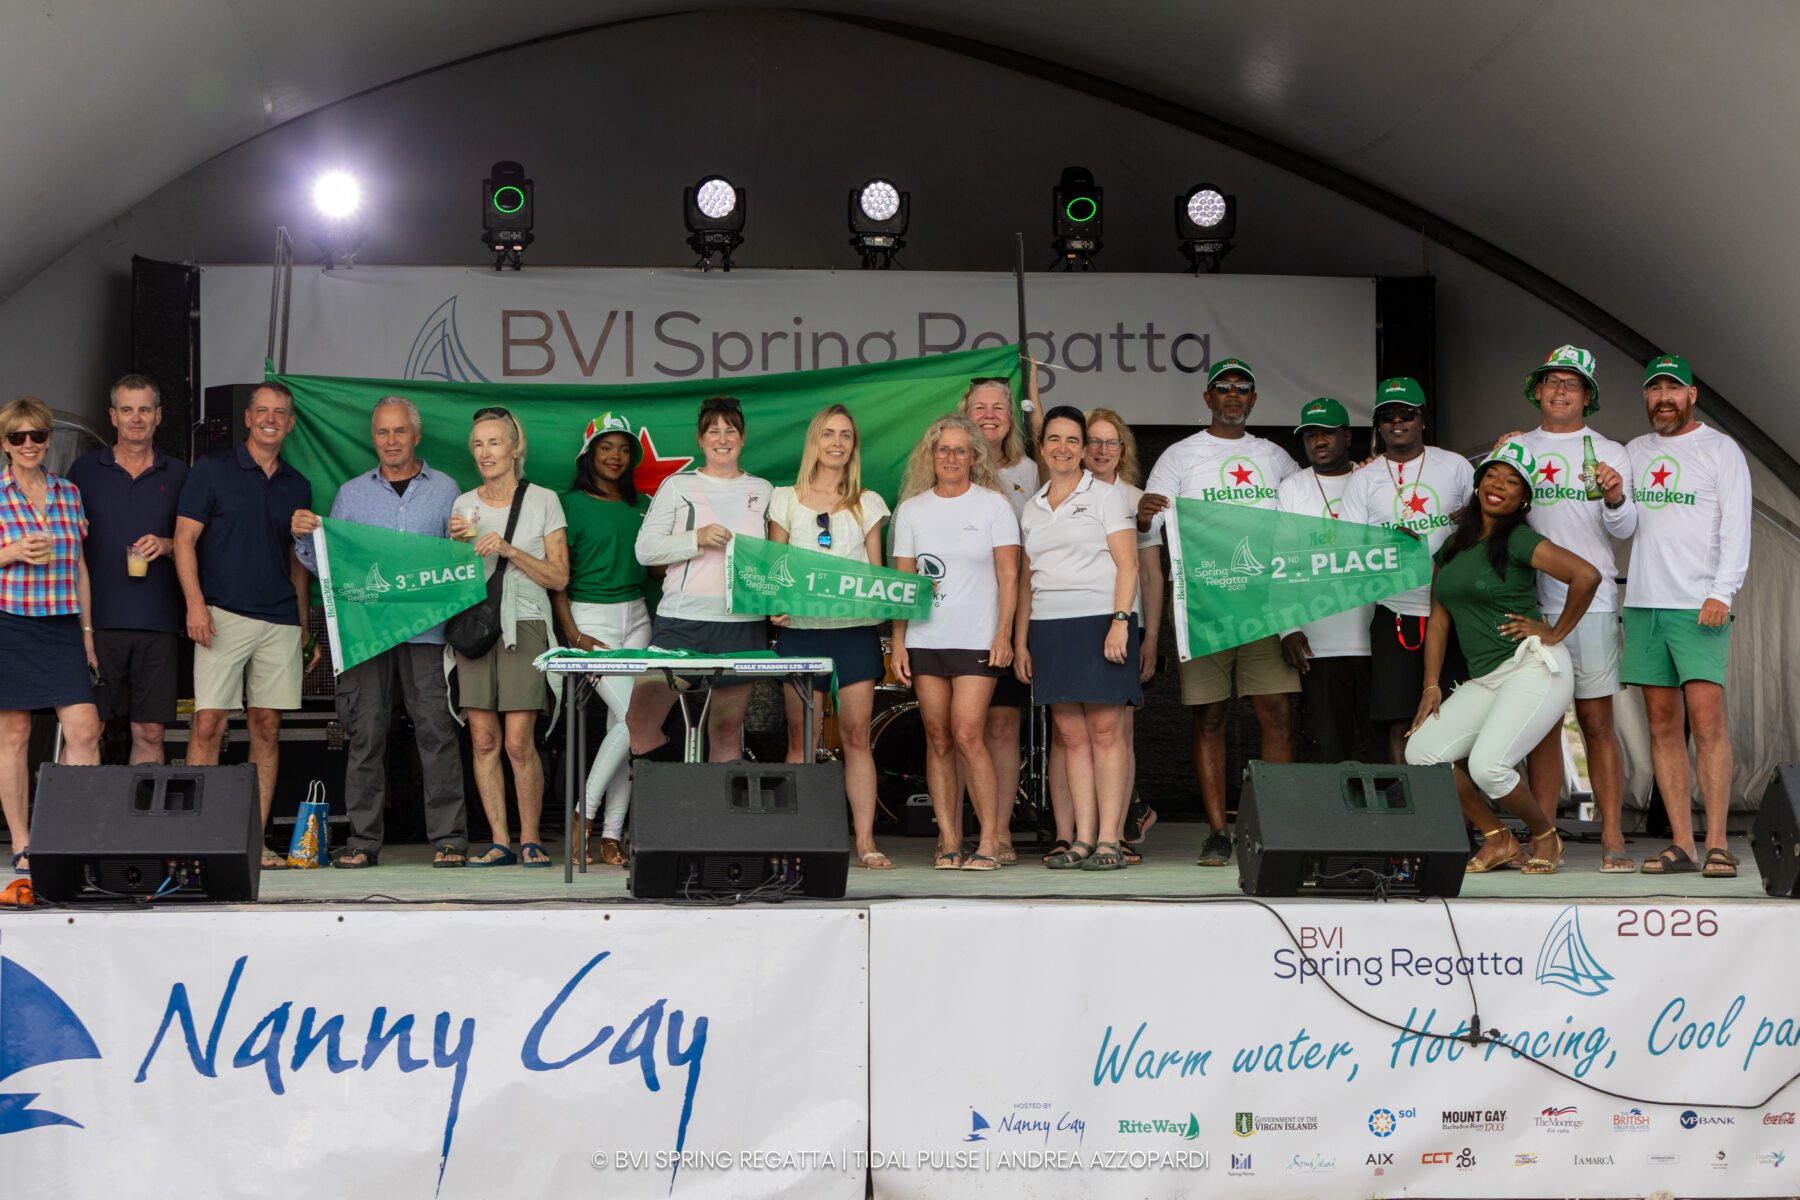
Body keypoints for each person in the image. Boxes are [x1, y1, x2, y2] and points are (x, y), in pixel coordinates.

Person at [1405, 441, 1600, 875]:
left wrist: (1554, 632)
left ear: (1522, 499)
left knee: (1488, 767)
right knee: (1422, 753)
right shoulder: (1452, 546)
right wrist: (1431, 684)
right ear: (1478, 486)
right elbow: (1439, 621)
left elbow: (1586, 575)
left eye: (1512, 481)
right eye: (1492, 476)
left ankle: (1546, 837)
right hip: (1487, 677)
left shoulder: (1518, 538)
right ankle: (1498, 838)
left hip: (1533, 667)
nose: (1498, 485)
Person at [291, 396, 468, 868]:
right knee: (365, 734)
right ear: (373, 439)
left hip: (428, 631)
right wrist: (306, 538)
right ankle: (363, 841)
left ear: (416, 435)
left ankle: (449, 839)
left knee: (437, 732)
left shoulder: (447, 490)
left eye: (400, 431)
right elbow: (331, 564)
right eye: (383, 432)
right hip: (366, 632)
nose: (391, 441)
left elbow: (460, 561)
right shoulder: (351, 494)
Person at [1136, 357, 1300, 867]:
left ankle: (1276, 827)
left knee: (1276, 712)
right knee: (1210, 716)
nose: (1233, 395)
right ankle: (1217, 832)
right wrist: (1141, 517)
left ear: (1254, 399)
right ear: (1207, 398)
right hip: (1204, 605)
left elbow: (1309, 512)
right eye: (1223, 388)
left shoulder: (1275, 457)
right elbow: (1148, 529)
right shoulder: (1179, 456)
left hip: (1266, 603)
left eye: (1242, 388)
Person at [174, 382, 317, 871]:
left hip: (279, 621)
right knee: (208, 723)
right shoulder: (212, 469)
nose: (271, 419)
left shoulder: (298, 485)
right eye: (263, 411)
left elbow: (298, 561)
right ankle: (197, 844)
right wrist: (195, 605)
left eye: (280, 412)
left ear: (290, 423)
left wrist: (303, 625)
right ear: (248, 418)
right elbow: (184, 540)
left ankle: (252, 842)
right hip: (222, 616)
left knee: (267, 728)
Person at [1623, 355, 1751, 878]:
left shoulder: (1721, 448)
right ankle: (1682, 843)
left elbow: (1737, 525)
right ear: (1646, 397)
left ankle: (1717, 842)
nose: (1663, 398)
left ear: (1692, 395)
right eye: (1654, 390)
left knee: (1708, 720)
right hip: (1643, 603)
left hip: (1699, 604)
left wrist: (1723, 591)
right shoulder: (1634, 451)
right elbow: (1622, 523)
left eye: (1672, 389)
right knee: (1661, 725)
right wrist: (1613, 498)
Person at [1510, 346, 1638, 871]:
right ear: (1537, 390)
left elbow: (1624, 529)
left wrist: (1615, 497)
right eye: (1552, 381)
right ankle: (1544, 835)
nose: (1560, 390)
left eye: (1572, 383)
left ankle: (1612, 834)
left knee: (1595, 720)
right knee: (1538, 724)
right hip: (1528, 599)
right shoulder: (1516, 447)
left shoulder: (1610, 451)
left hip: (1592, 603)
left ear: (1588, 397)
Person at [890, 415, 1019, 871]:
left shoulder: (994, 506)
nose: (950, 457)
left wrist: (1003, 633)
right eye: (942, 449)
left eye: (960, 450)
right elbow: (903, 585)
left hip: (978, 636)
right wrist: (899, 642)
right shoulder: (912, 510)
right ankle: (947, 839)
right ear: (931, 455)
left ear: (974, 456)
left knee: (967, 732)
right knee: (939, 736)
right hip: (926, 637)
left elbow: (1009, 576)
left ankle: (989, 840)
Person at [1031, 406, 1159, 863]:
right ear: (1041, 447)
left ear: (1083, 449)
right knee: (1070, 737)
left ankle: (1109, 838)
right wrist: (1023, 640)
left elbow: (1129, 565)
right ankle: (1082, 838)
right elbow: (1028, 577)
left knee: (1106, 731)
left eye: (1072, 440)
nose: (1063, 448)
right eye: (1054, 439)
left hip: (1101, 623)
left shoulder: (1106, 497)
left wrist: (1120, 621)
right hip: (1049, 628)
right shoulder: (1031, 506)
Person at [768, 404, 893, 869]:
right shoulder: (784, 499)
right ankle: (797, 841)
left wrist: (886, 600)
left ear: (853, 445)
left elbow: (878, 574)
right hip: (801, 634)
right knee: (801, 740)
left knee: (857, 736)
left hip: (854, 633)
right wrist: (775, 602)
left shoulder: (869, 502)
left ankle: (866, 842)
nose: (837, 443)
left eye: (845, 435)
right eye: (828, 434)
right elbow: (774, 568)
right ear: (814, 442)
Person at [448, 407, 569, 868]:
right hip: (476, 626)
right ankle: (500, 841)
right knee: (483, 740)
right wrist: (455, 550)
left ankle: (531, 839)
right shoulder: (463, 504)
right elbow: (456, 578)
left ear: (515, 449)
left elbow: (559, 577)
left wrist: (507, 548)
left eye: (495, 442)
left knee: (519, 741)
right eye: (478, 444)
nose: (485, 452)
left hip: (526, 622)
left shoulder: (543, 500)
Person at [626, 397, 770, 762]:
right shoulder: (678, 486)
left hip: (742, 625)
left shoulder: (765, 490)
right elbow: (645, 551)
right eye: (713, 431)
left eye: (730, 430)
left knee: (726, 730)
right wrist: (696, 538)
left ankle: (715, 801)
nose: (722, 439)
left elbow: (776, 561)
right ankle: (674, 794)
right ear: (700, 439)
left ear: (743, 437)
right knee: (640, 723)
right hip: (682, 623)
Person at [1340, 376, 1474, 765]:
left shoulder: (1455, 466)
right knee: (1399, 720)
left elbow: (1487, 525)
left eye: (1406, 413)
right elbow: (1348, 550)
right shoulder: (1363, 479)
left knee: (1457, 716)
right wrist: (1384, 544)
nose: (1397, 421)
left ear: (1422, 419)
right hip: (1395, 610)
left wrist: (1467, 519)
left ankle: (1458, 805)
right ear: (1378, 425)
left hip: (1454, 609)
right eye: (1387, 415)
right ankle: (1409, 801)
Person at [66, 373, 189, 766]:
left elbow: (199, 545)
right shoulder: (84, 471)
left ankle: (144, 810)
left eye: (144, 410)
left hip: (159, 621)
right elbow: (65, 545)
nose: (136, 418)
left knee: (150, 732)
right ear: (112, 416)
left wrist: (167, 545)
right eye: (127, 410)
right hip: (96, 622)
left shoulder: (179, 474)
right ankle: (77, 808)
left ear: (158, 416)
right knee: (87, 729)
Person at [0, 397, 101, 874]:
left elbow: (79, 567)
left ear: (47, 440)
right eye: (17, 436)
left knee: (84, 729)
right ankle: (23, 843)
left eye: (37, 435)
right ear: (5, 443)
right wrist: (12, 551)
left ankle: (66, 837)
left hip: (61, 623)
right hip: (10, 620)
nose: (28, 444)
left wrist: (87, 632)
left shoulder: (68, 493)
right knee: (15, 734)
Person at [550, 411, 653, 867]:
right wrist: (572, 632)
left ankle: (611, 838)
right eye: (607, 447)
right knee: (634, 720)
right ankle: (584, 814)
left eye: (624, 449)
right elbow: (557, 578)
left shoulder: (642, 504)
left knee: (626, 727)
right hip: (591, 617)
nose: (616, 456)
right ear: (588, 454)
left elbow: (656, 564)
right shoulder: (568, 505)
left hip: (639, 617)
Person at [959, 376, 1036, 859]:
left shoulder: (1030, 470)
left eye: (999, 407)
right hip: (957, 619)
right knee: (963, 730)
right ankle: (964, 830)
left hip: (1008, 617)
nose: (989, 416)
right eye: (979, 407)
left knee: (1003, 728)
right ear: (964, 413)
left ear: (1012, 417)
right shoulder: (948, 467)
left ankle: (1000, 830)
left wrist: (1014, 631)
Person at [1276, 398, 1377, 762]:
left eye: (1327, 433)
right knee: (1327, 750)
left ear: (1347, 436)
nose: (1319, 441)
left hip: (1375, 638)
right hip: (1317, 644)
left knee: (1380, 748)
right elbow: (1282, 561)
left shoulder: (1374, 478)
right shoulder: (1293, 488)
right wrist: (1287, 628)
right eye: (1310, 435)